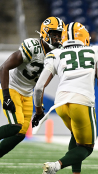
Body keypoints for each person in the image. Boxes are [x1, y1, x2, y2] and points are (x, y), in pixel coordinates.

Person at [32, 22, 98, 174]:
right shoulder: (96, 50)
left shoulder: (55, 53)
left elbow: (38, 87)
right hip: (82, 101)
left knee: (76, 136)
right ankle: (56, 166)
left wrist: (38, 111)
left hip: (60, 104)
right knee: (86, 147)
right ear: (85, 37)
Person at [0, 17, 64, 158]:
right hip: (13, 88)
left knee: (20, 134)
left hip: (28, 93)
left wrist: (39, 111)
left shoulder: (57, 55)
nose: (57, 38)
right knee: (14, 126)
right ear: (45, 33)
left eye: (59, 35)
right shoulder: (33, 47)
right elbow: (4, 67)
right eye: (54, 34)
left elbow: (40, 85)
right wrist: (6, 96)